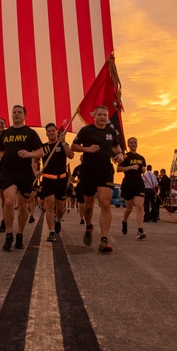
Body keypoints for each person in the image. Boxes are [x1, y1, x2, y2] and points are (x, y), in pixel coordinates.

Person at [72, 106, 124, 253]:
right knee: (88, 206)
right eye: (99, 114)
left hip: (105, 170)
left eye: (105, 115)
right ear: (94, 116)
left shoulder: (111, 132)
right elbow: (74, 146)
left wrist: (120, 156)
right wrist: (87, 149)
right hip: (88, 170)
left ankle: (104, 240)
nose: (102, 117)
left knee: (105, 203)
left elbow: (117, 148)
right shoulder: (86, 131)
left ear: (107, 117)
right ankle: (89, 226)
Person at [0, 105, 44, 251]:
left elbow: (40, 152)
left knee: (23, 205)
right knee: (9, 201)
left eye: (19, 112)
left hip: (25, 173)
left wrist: (29, 154)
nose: (16, 114)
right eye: (14, 112)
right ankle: (9, 235)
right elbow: (0, 149)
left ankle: (20, 235)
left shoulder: (31, 133)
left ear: (24, 115)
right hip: (8, 172)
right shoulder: (6, 133)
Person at [39, 122, 74, 242]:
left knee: (60, 208)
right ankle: (51, 232)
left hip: (61, 180)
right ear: (46, 133)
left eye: (53, 130)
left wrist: (63, 142)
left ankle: (58, 220)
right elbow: (34, 160)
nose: (51, 132)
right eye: (48, 131)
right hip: (48, 179)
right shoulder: (43, 147)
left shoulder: (62, 144)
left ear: (56, 131)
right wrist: (35, 172)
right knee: (49, 205)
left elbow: (71, 155)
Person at [118, 136, 147, 240]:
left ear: (137, 144)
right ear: (128, 145)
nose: (133, 144)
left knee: (139, 206)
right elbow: (118, 169)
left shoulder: (141, 158)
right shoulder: (125, 156)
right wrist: (130, 167)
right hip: (128, 183)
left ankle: (140, 229)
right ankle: (124, 221)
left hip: (139, 184)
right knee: (129, 208)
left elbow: (143, 170)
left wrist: (143, 170)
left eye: (135, 142)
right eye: (131, 143)